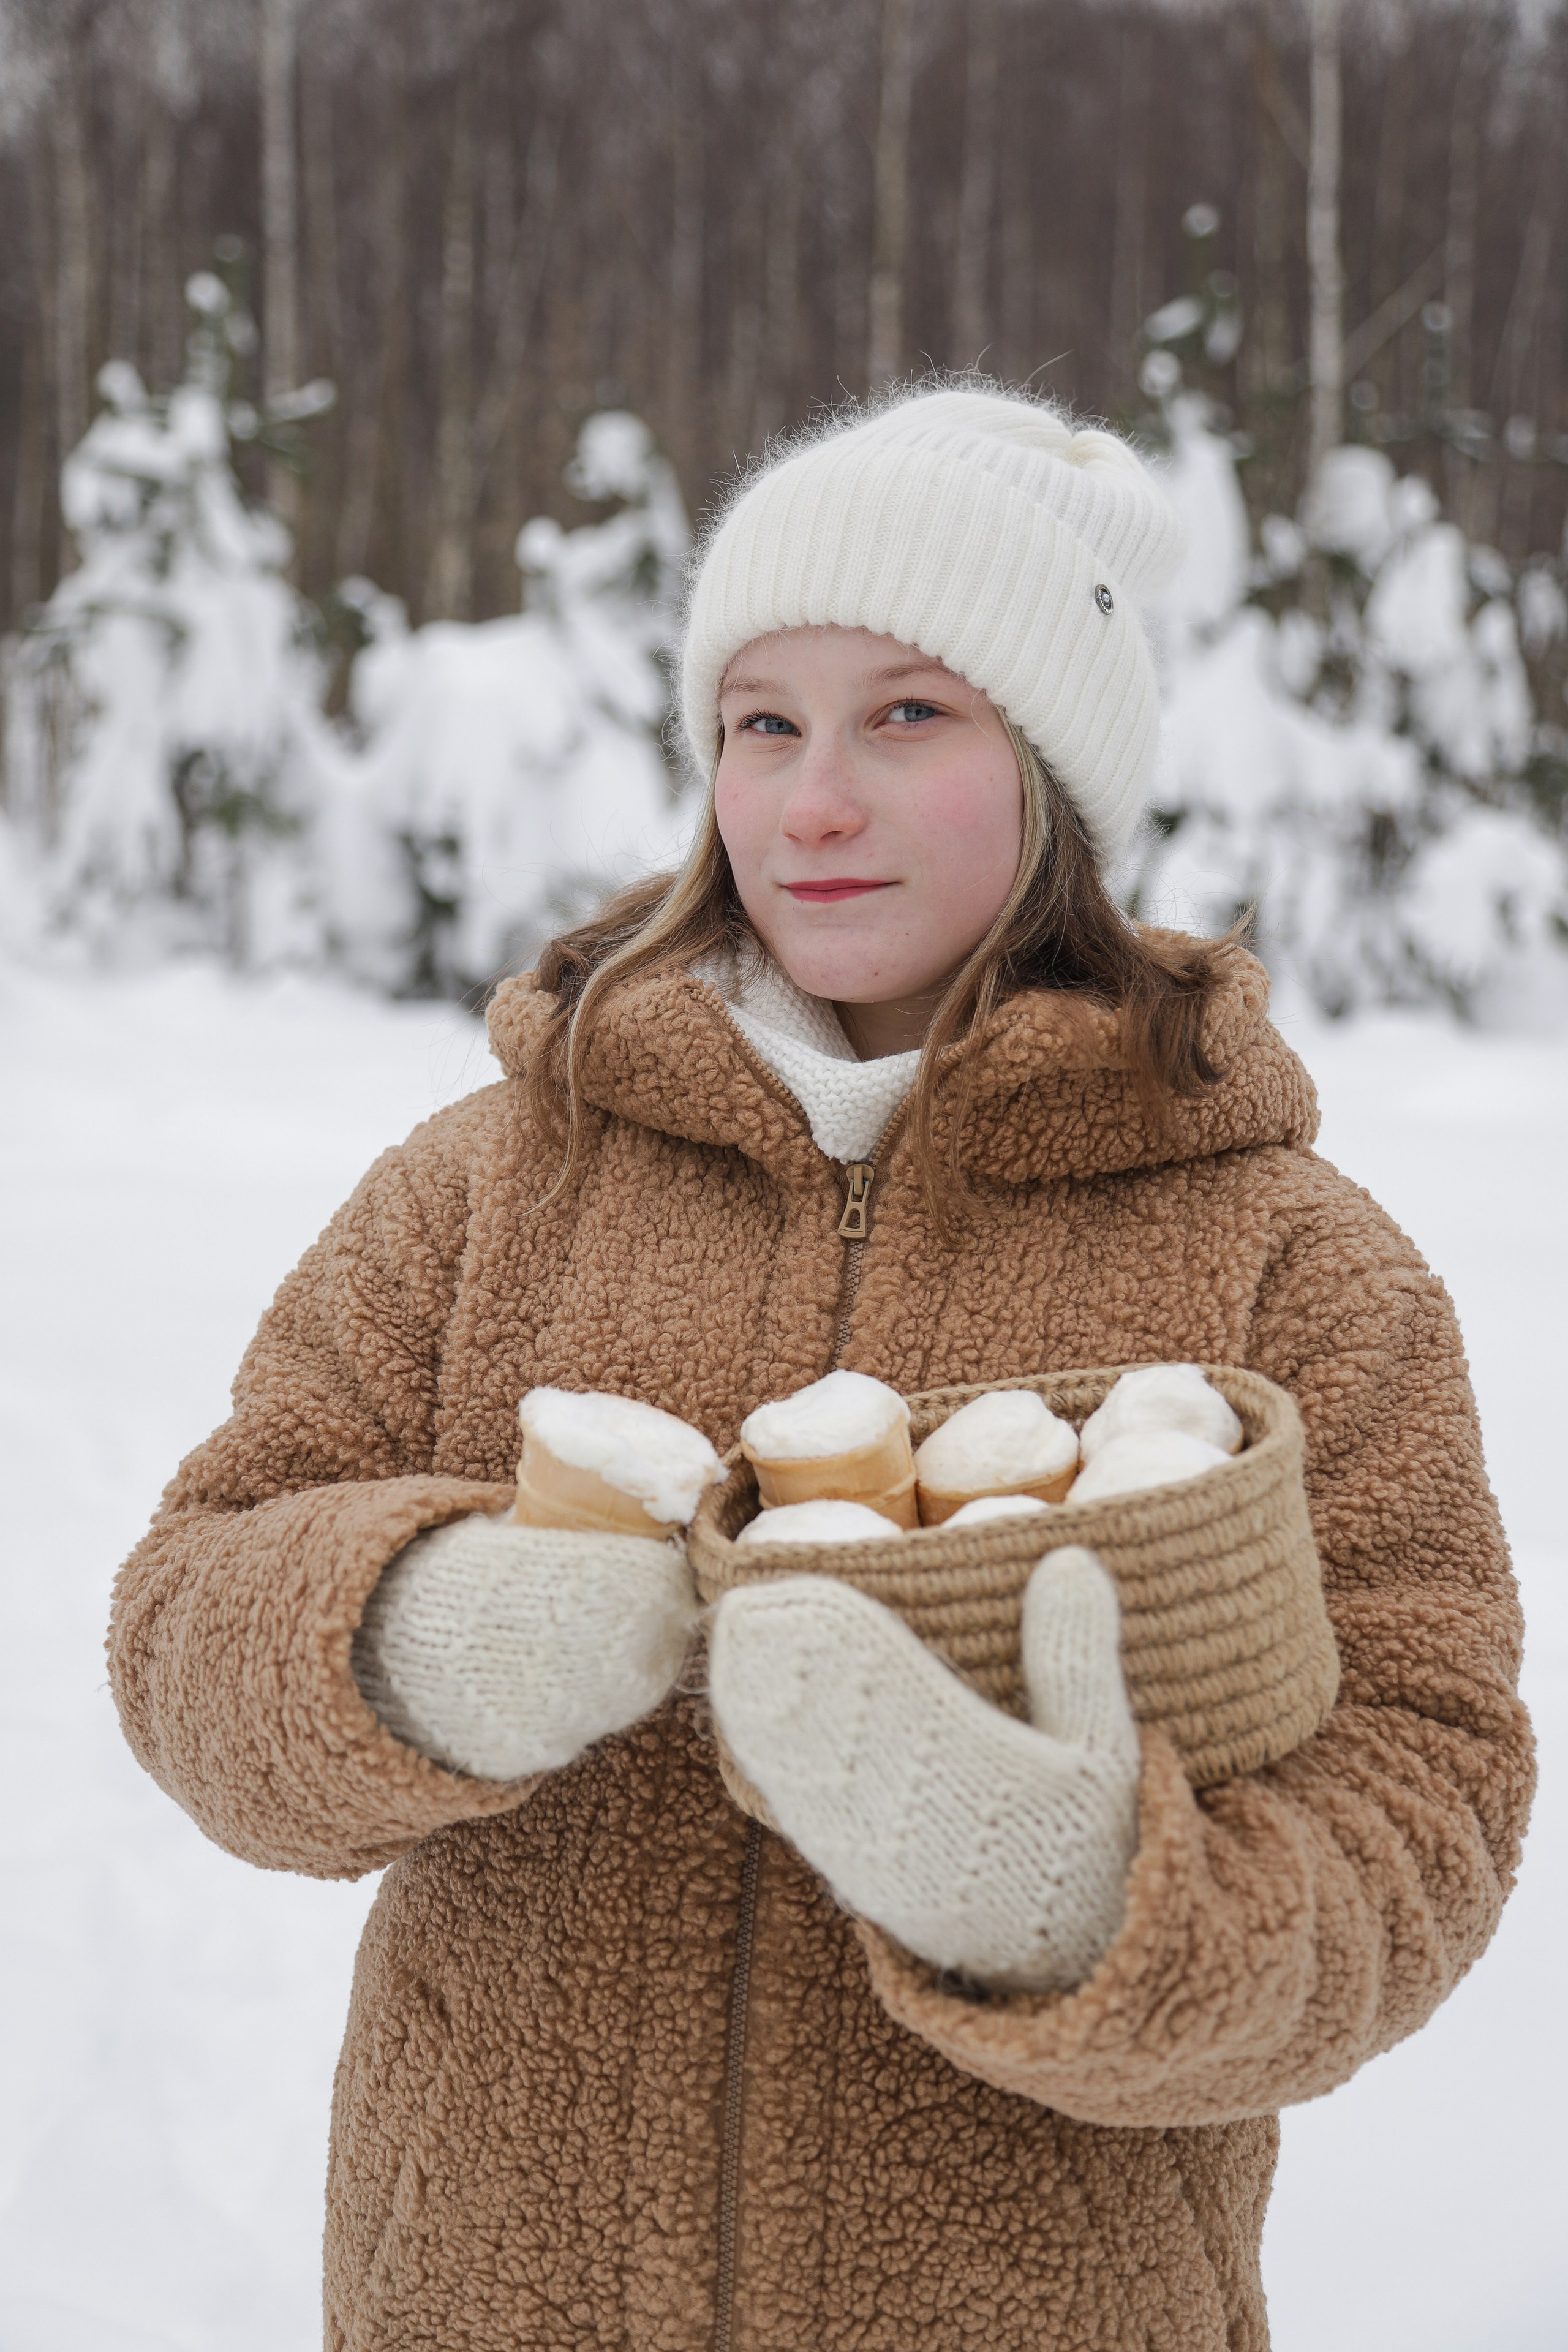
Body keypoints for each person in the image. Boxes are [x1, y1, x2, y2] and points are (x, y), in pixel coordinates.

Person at [110, 385, 1533, 2350]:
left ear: (1056, 769)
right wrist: (417, 1635)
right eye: (760, 722)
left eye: (907, 716)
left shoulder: (1290, 1260)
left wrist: (1081, 1900)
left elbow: (1426, 1808)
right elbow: (185, 1624)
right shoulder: (489, 1186)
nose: (812, 801)